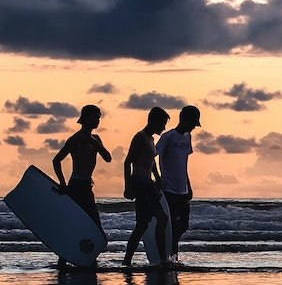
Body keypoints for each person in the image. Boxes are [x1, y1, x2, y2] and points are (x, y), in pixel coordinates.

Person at [52, 104, 112, 267]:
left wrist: (95, 143)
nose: (98, 120)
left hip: (87, 186)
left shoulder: (96, 140)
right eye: (95, 117)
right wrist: (63, 184)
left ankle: (90, 258)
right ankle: (63, 260)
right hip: (75, 186)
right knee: (73, 223)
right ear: (85, 119)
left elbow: (108, 158)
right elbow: (56, 160)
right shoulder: (75, 139)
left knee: (94, 224)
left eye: (99, 117)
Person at [122, 106, 170, 268]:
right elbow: (128, 162)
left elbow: (152, 163)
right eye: (162, 123)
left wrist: (158, 179)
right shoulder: (140, 138)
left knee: (142, 225)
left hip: (148, 185)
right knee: (161, 218)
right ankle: (163, 260)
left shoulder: (151, 140)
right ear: (154, 121)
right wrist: (128, 187)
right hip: (140, 183)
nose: (164, 128)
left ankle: (127, 260)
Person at [155, 105, 201, 263]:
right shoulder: (168, 137)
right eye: (193, 123)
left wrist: (189, 186)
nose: (194, 127)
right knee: (171, 226)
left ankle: (171, 256)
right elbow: (153, 156)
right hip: (169, 189)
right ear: (184, 119)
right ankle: (170, 257)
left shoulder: (187, 137)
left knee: (183, 226)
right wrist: (157, 178)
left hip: (183, 190)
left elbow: (184, 163)